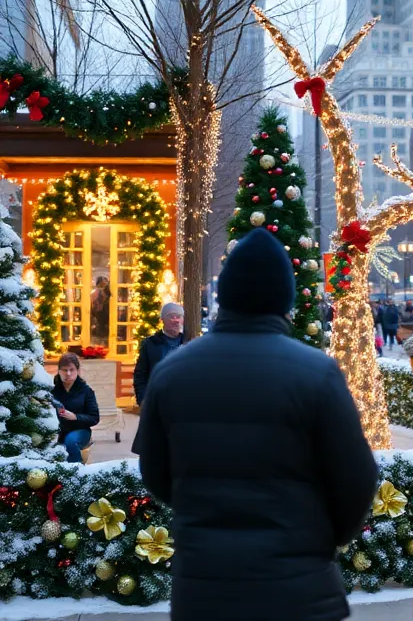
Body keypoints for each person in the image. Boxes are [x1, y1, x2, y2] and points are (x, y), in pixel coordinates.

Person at [136, 228, 378, 621]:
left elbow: (155, 472)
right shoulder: (316, 373)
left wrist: (201, 515)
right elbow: (357, 478)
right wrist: (320, 539)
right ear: (285, 298)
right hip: (300, 589)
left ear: (225, 296)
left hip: (205, 586)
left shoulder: (172, 373)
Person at [133, 302, 185, 407]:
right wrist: (143, 400)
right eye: (171, 316)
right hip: (159, 401)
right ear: (163, 319)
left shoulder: (189, 342)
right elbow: (140, 375)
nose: (176, 320)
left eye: (179, 316)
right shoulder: (151, 344)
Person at [52, 352, 99, 463]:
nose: (68, 374)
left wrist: (75, 417)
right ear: (59, 371)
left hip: (81, 431)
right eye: (65, 370)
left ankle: (75, 471)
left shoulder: (86, 391)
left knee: (70, 441)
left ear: (78, 371)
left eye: (71, 370)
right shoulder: (53, 390)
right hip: (58, 431)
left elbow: (94, 418)